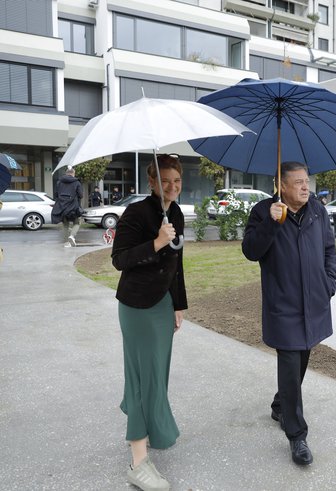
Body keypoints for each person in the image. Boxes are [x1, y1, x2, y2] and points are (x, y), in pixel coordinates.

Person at [242, 161, 336, 466]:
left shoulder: (318, 211)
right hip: (283, 304)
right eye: (297, 182)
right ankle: (297, 436)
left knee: (303, 356)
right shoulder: (263, 212)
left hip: (314, 300)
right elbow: (250, 251)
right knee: (290, 361)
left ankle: (280, 404)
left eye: (306, 181)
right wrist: (271, 223)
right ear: (281, 186)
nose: (305, 187)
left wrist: (328, 281)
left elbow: (328, 248)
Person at [111, 154, 187, 491]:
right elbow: (119, 259)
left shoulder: (177, 213)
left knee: (157, 375)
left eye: (177, 181)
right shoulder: (136, 213)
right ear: (152, 182)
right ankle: (138, 462)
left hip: (162, 305)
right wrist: (156, 242)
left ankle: (150, 427)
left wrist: (178, 305)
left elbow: (177, 264)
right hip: (137, 306)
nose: (172, 186)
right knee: (143, 378)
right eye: (165, 180)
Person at [51, 166, 83, 247]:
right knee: (77, 223)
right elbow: (81, 195)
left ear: (66, 173)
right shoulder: (77, 182)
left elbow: (56, 195)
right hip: (74, 207)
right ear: (73, 173)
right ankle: (72, 236)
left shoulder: (59, 182)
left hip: (62, 207)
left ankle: (66, 243)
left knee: (65, 225)